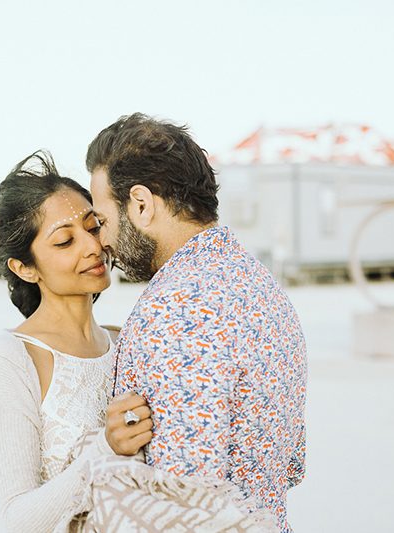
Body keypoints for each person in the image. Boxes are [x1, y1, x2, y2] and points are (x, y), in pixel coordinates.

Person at [86, 113, 307, 532]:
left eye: (102, 220)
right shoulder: (261, 286)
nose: (102, 241)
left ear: (141, 204)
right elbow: (291, 464)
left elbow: (180, 499)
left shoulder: (176, 308)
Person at [0, 151, 153, 532]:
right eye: (64, 242)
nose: (92, 247)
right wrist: (105, 448)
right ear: (24, 268)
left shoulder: (128, 343)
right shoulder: (10, 361)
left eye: (94, 226)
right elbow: (18, 520)